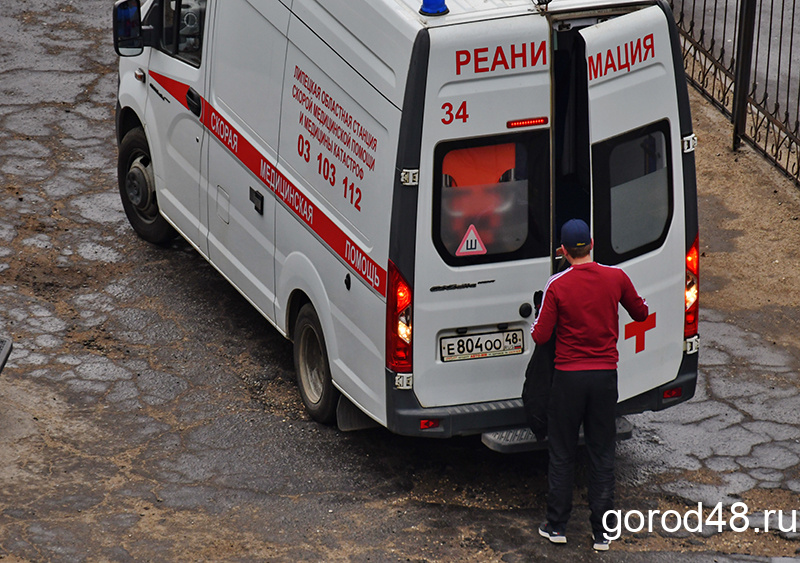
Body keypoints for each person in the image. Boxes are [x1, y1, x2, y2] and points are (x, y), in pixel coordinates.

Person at [531, 218, 649, 551]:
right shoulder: (616, 277)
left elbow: (540, 335)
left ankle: (556, 525)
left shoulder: (557, 285)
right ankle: (602, 532)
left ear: (564, 251)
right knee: (602, 453)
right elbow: (640, 313)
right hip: (603, 378)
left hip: (568, 379)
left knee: (563, 453)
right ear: (593, 244)